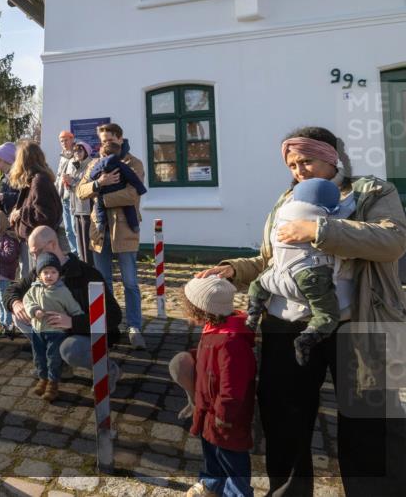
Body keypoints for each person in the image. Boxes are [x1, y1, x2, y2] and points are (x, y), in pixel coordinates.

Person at [195, 126, 406, 497]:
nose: (298, 171)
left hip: (356, 324)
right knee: (284, 421)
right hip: (287, 326)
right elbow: (271, 261)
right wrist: (233, 269)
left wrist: (320, 229)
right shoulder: (286, 200)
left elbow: (392, 240)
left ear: (331, 157)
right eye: (292, 164)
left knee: (368, 425)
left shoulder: (372, 192)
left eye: (305, 161)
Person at [245, 177, 351, 365]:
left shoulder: (282, 214)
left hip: (276, 275)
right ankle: (306, 339)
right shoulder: (330, 217)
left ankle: (253, 313)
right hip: (310, 277)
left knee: (258, 284)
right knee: (327, 315)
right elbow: (346, 235)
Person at [4, 226, 122, 388]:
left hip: (85, 334)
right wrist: (15, 303)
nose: (34, 257)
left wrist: (73, 322)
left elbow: (114, 316)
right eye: (32, 254)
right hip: (56, 331)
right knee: (20, 316)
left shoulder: (87, 274)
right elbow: (12, 289)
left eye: (36, 252)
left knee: (70, 349)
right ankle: (61, 366)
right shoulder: (41, 270)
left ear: (52, 245)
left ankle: (108, 370)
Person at [173, 277, 256, 497]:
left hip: (227, 416)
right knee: (211, 449)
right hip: (209, 408)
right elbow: (209, 360)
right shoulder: (214, 329)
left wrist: (224, 413)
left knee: (232, 458)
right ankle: (212, 485)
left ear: (202, 309)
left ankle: (237, 493)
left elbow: (232, 384)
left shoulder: (231, 341)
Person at [76, 122, 147, 349]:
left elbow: (132, 194)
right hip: (100, 229)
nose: (106, 143)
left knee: (130, 282)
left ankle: (134, 326)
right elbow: (80, 191)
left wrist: (103, 199)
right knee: (102, 282)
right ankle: (108, 325)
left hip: (124, 229)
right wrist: (100, 183)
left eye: (110, 139)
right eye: (103, 140)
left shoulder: (134, 163)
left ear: (120, 138)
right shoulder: (96, 163)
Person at [23, 252, 84, 402]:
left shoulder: (63, 292)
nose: (49, 276)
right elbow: (27, 300)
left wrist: (74, 321)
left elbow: (75, 310)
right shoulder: (34, 288)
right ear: (39, 274)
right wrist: (34, 310)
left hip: (56, 333)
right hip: (38, 331)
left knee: (53, 358)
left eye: (53, 272)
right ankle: (42, 379)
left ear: (58, 274)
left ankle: (52, 384)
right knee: (39, 357)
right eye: (45, 272)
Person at [9, 141, 64, 283]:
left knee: (42, 283)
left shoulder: (39, 181)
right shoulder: (36, 180)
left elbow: (45, 216)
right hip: (37, 241)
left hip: (42, 243)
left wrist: (21, 213)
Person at [90, 141, 147, 235]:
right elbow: (132, 177)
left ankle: (100, 222)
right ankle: (134, 225)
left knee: (99, 205)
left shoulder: (99, 164)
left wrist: (96, 180)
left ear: (103, 154)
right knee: (129, 206)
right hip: (120, 189)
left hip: (105, 190)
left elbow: (92, 175)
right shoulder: (121, 164)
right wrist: (141, 189)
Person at [0, 141, 26, 277]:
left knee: (24, 263)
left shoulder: (18, 176)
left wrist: (3, 196)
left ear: (4, 159)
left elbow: (23, 198)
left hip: (19, 224)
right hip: (10, 225)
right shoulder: (4, 177)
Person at [68, 141, 96, 266]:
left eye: (80, 150)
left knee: (87, 241)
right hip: (76, 208)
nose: (77, 153)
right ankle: (84, 266)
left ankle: (90, 267)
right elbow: (75, 187)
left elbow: (87, 185)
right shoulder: (76, 165)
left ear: (86, 151)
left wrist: (72, 182)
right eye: (75, 151)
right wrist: (68, 183)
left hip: (86, 208)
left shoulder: (90, 164)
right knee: (80, 241)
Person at [55, 130, 78, 255]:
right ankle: (74, 254)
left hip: (74, 197)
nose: (64, 143)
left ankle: (81, 256)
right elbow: (59, 176)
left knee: (75, 229)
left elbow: (82, 175)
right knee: (68, 229)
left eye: (66, 140)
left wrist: (72, 180)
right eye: (61, 141)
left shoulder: (78, 154)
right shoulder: (63, 156)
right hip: (63, 197)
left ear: (72, 139)